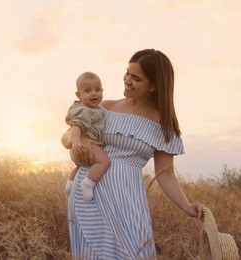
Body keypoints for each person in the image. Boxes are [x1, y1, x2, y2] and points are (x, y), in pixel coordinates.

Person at [61, 49, 203, 259]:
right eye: (127, 73)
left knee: (135, 253)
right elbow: (67, 136)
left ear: (154, 86)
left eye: (136, 78)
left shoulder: (163, 126)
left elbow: (166, 173)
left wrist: (186, 206)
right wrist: (78, 143)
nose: (127, 80)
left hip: (127, 199)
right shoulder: (104, 107)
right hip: (87, 195)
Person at [64, 72, 110, 201]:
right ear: (78, 95)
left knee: (79, 166)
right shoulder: (84, 110)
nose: (94, 93)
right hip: (85, 145)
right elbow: (76, 127)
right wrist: (76, 142)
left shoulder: (94, 109)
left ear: (102, 90)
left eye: (97, 89)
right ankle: (87, 184)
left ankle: (70, 184)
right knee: (104, 162)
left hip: (79, 149)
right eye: (87, 91)